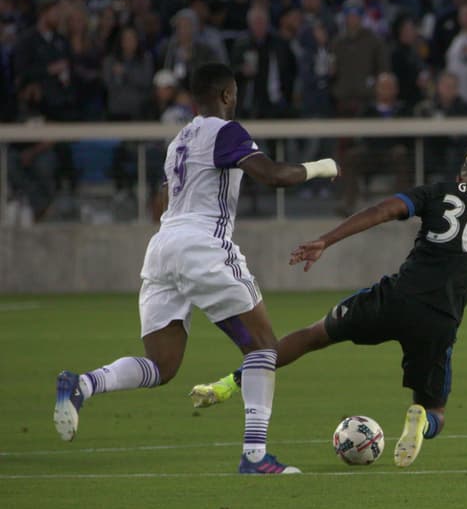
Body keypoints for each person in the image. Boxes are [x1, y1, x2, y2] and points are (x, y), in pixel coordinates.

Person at [187, 148, 467, 467]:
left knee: (312, 336)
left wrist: (326, 240)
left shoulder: (437, 191)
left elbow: (381, 211)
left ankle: (227, 383)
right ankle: (420, 420)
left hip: (393, 298)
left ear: (462, 178)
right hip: (439, 319)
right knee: (437, 409)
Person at [52, 63, 339, 473]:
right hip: (203, 246)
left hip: (162, 248)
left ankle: (83, 384)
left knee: (162, 366)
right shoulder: (227, 131)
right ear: (225, 95)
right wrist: (322, 167)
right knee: (263, 347)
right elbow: (273, 176)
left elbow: (165, 199)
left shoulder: (179, 141)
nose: (236, 99)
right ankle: (255, 456)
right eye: (235, 92)